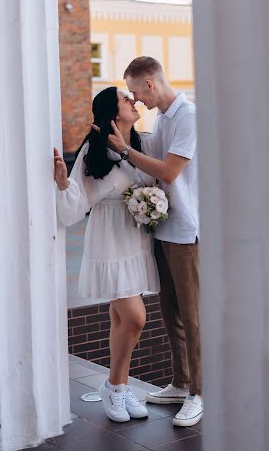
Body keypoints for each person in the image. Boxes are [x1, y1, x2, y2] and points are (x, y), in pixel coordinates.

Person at [104, 56, 202, 427]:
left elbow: (169, 171)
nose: (135, 99)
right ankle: (180, 382)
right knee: (170, 313)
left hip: (186, 232)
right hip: (162, 228)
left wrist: (125, 149)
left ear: (149, 84)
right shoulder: (161, 118)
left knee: (193, 317)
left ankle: (199, 393)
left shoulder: (188, 116)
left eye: (134, 91)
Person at [54, 86, 160, 423]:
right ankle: (114, 385)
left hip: (135, 242)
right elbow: (76, 205)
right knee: (135, 317)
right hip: (109, 241)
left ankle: (120, 386)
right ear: (113, 113)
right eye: (125, 99)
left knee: (120, 320)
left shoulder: (142, 143)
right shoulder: (93, 148)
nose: (133, 101)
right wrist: (61, 184)